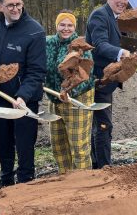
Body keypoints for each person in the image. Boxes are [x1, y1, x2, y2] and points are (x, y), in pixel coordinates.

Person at [0, 0, 46, 186]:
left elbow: (37, 71)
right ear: (0, 6)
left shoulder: (34, 31)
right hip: (1, 97)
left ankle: (26, 181)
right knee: (4, 142)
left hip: (24, 102)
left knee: (25, 145)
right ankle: (6, 179)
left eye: (18, 4)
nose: (15, 9)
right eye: (10, 5)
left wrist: (23, 96)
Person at [85, 0, 131, 169]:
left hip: (109, 81)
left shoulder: (118, 18)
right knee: (104, 125)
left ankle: (96, 163)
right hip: (98, 80)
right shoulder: (99, 15)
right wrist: (121, 53)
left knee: (100, 124)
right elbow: (99, 44)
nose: (122, 2)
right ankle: (105, 168)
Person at [45, 10, 95, 173]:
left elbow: (87, 75)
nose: (66, 28)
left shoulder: (80, 45)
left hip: (77, 100)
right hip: (54, 98)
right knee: (59, 144)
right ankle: (65, 180)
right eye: (62, 24)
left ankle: (83, 182)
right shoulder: (48, 43)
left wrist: (70, 92)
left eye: (70, 25)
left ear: (74, 27)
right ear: (56, 25)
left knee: (78, 144)